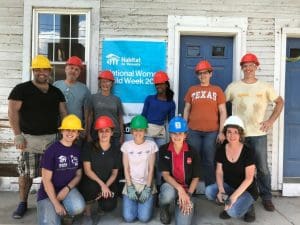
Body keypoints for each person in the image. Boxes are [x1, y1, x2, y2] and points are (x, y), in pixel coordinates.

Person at [8, 55, 67, 219]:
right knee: (26, 174)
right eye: (38, 69)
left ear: (49, 71)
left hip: (52, 139)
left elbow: (63, 113)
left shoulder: (56, 92)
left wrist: (66, 133)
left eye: (45, 69)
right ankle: (22, 203)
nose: (42, 72)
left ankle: (50, 200)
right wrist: (17, 135)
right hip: (30, 140)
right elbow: (12, 111)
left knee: (52, 175)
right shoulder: (22, 89)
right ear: (33, 71)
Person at [225, 53, 284, 211]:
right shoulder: (233, 87)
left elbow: (279, 102)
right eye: (245, 65)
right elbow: (222, 106)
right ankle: (243, 195)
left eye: (251, 65)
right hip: (238, 136)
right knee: (239, 168)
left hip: (258, 134)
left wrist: (270, 121)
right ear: (242, 68)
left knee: (262, 167)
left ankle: (266, 197)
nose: (248, 68)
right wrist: (226, 127)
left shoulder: (265, 87)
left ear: (256, 67)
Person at [205, 115, 258, 223]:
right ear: (225, 133)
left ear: (240, 134)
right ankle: (231, 203)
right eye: (229, 132)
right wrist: (221, 190)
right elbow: (219, 172)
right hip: (230, 186)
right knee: (209, 191)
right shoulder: (221, 150)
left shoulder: (248, 151)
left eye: (235, 132)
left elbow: (249, 179)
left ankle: (249, 207)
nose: (232, 135)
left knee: (233, 212)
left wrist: (232, 198)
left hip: (247, 190)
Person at [183, 60, 227, 186]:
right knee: (192, 159)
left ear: (210, 74)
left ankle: (211, 189)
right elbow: (186, 109)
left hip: (212, 132)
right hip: (193, 130)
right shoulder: (192, 90)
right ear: (197, 75)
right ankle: (190, 189)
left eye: (205, 73)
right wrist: (184, 130)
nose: (203, 76)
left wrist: (221, 131)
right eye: (200, 73)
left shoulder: (217, 90)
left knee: (209, 160)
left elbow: (223, 112)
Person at [37, 114, 85, 225]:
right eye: (67, 129)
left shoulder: (77, 150)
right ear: (62, 131)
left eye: (74, 130)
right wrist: (56, 203)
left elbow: (78, 175)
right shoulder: (51, 150)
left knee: (78, 207)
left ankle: (64, 213)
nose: (70, 133)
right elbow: (46, 180)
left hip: (67, 190)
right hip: (47, 193)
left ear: (78, 134)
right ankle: (56, 210)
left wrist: (67, 188)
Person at [158, 116, 201, 225]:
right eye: (174, 133)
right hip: (171, 186)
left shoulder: (193, 151)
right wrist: (179, 189)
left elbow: (196, 178)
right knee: (168, 195)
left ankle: (184, 203)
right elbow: (166, 175)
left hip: (188, 190)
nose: (177, 136)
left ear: (185, 135)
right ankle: (164, 207)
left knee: (183, 223)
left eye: (180, 133)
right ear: (170, 134)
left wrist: (188, 195)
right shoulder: (164, 149)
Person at [78, 116, 121, 223]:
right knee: (90, 188)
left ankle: (100, 205)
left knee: (109, 205)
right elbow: (87, 170)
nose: (104, 134)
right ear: (97, 133)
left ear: (112, 133)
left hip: (108, 182)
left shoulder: (116, 150)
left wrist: (106, 186)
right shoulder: (89, 147)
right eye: (101, 131)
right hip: (91, 181)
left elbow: (114, 174)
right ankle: (87, 212)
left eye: (107, 131)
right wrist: (102, 185)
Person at [121, 115, 158, 223]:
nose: (138, 133)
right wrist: (129, 187)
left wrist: (147, 188)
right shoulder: (126, 145)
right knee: (128, 218)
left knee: (144, 218)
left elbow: (151, 169)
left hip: (146, 185)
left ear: (145, 131)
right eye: (135, 130)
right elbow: (126, 168)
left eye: (141, 130)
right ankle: (136, 202)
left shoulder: (151, 145)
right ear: (131, 131)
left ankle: (149, 199)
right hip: (131, 184)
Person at [53, 56, 91, 142]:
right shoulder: (56, 85)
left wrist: (85, 130)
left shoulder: (84, 89)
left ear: (79, 72)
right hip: (58, 130)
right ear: (66, 69)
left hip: (76, 131)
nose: (73, 71)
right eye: (71, 68)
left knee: (75, 154)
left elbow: (87, 113)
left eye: (77, 69)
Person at [87, 70, 124, 148]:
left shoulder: (116, 99)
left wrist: (122, 136)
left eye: (108, 82)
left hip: (115, 134)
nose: (105, 84)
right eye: (103, 82)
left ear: (112, 84)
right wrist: (88, 134)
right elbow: (90, 117)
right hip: (97, 133)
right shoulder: (93, 98)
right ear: (100, 83)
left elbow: (120, 118)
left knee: (114, 158)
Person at [142, 71, 175, 146]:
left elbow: (171, 122)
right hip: (148, 130)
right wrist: (140, 131)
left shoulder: (171, 103)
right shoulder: (149, 99)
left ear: (166, 85)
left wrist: (173, 136)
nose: (158, 86)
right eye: (156, 84)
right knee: (150, 154)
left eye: (161, 84)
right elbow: (143, 116)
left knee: (160, 154)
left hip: (161, 131)